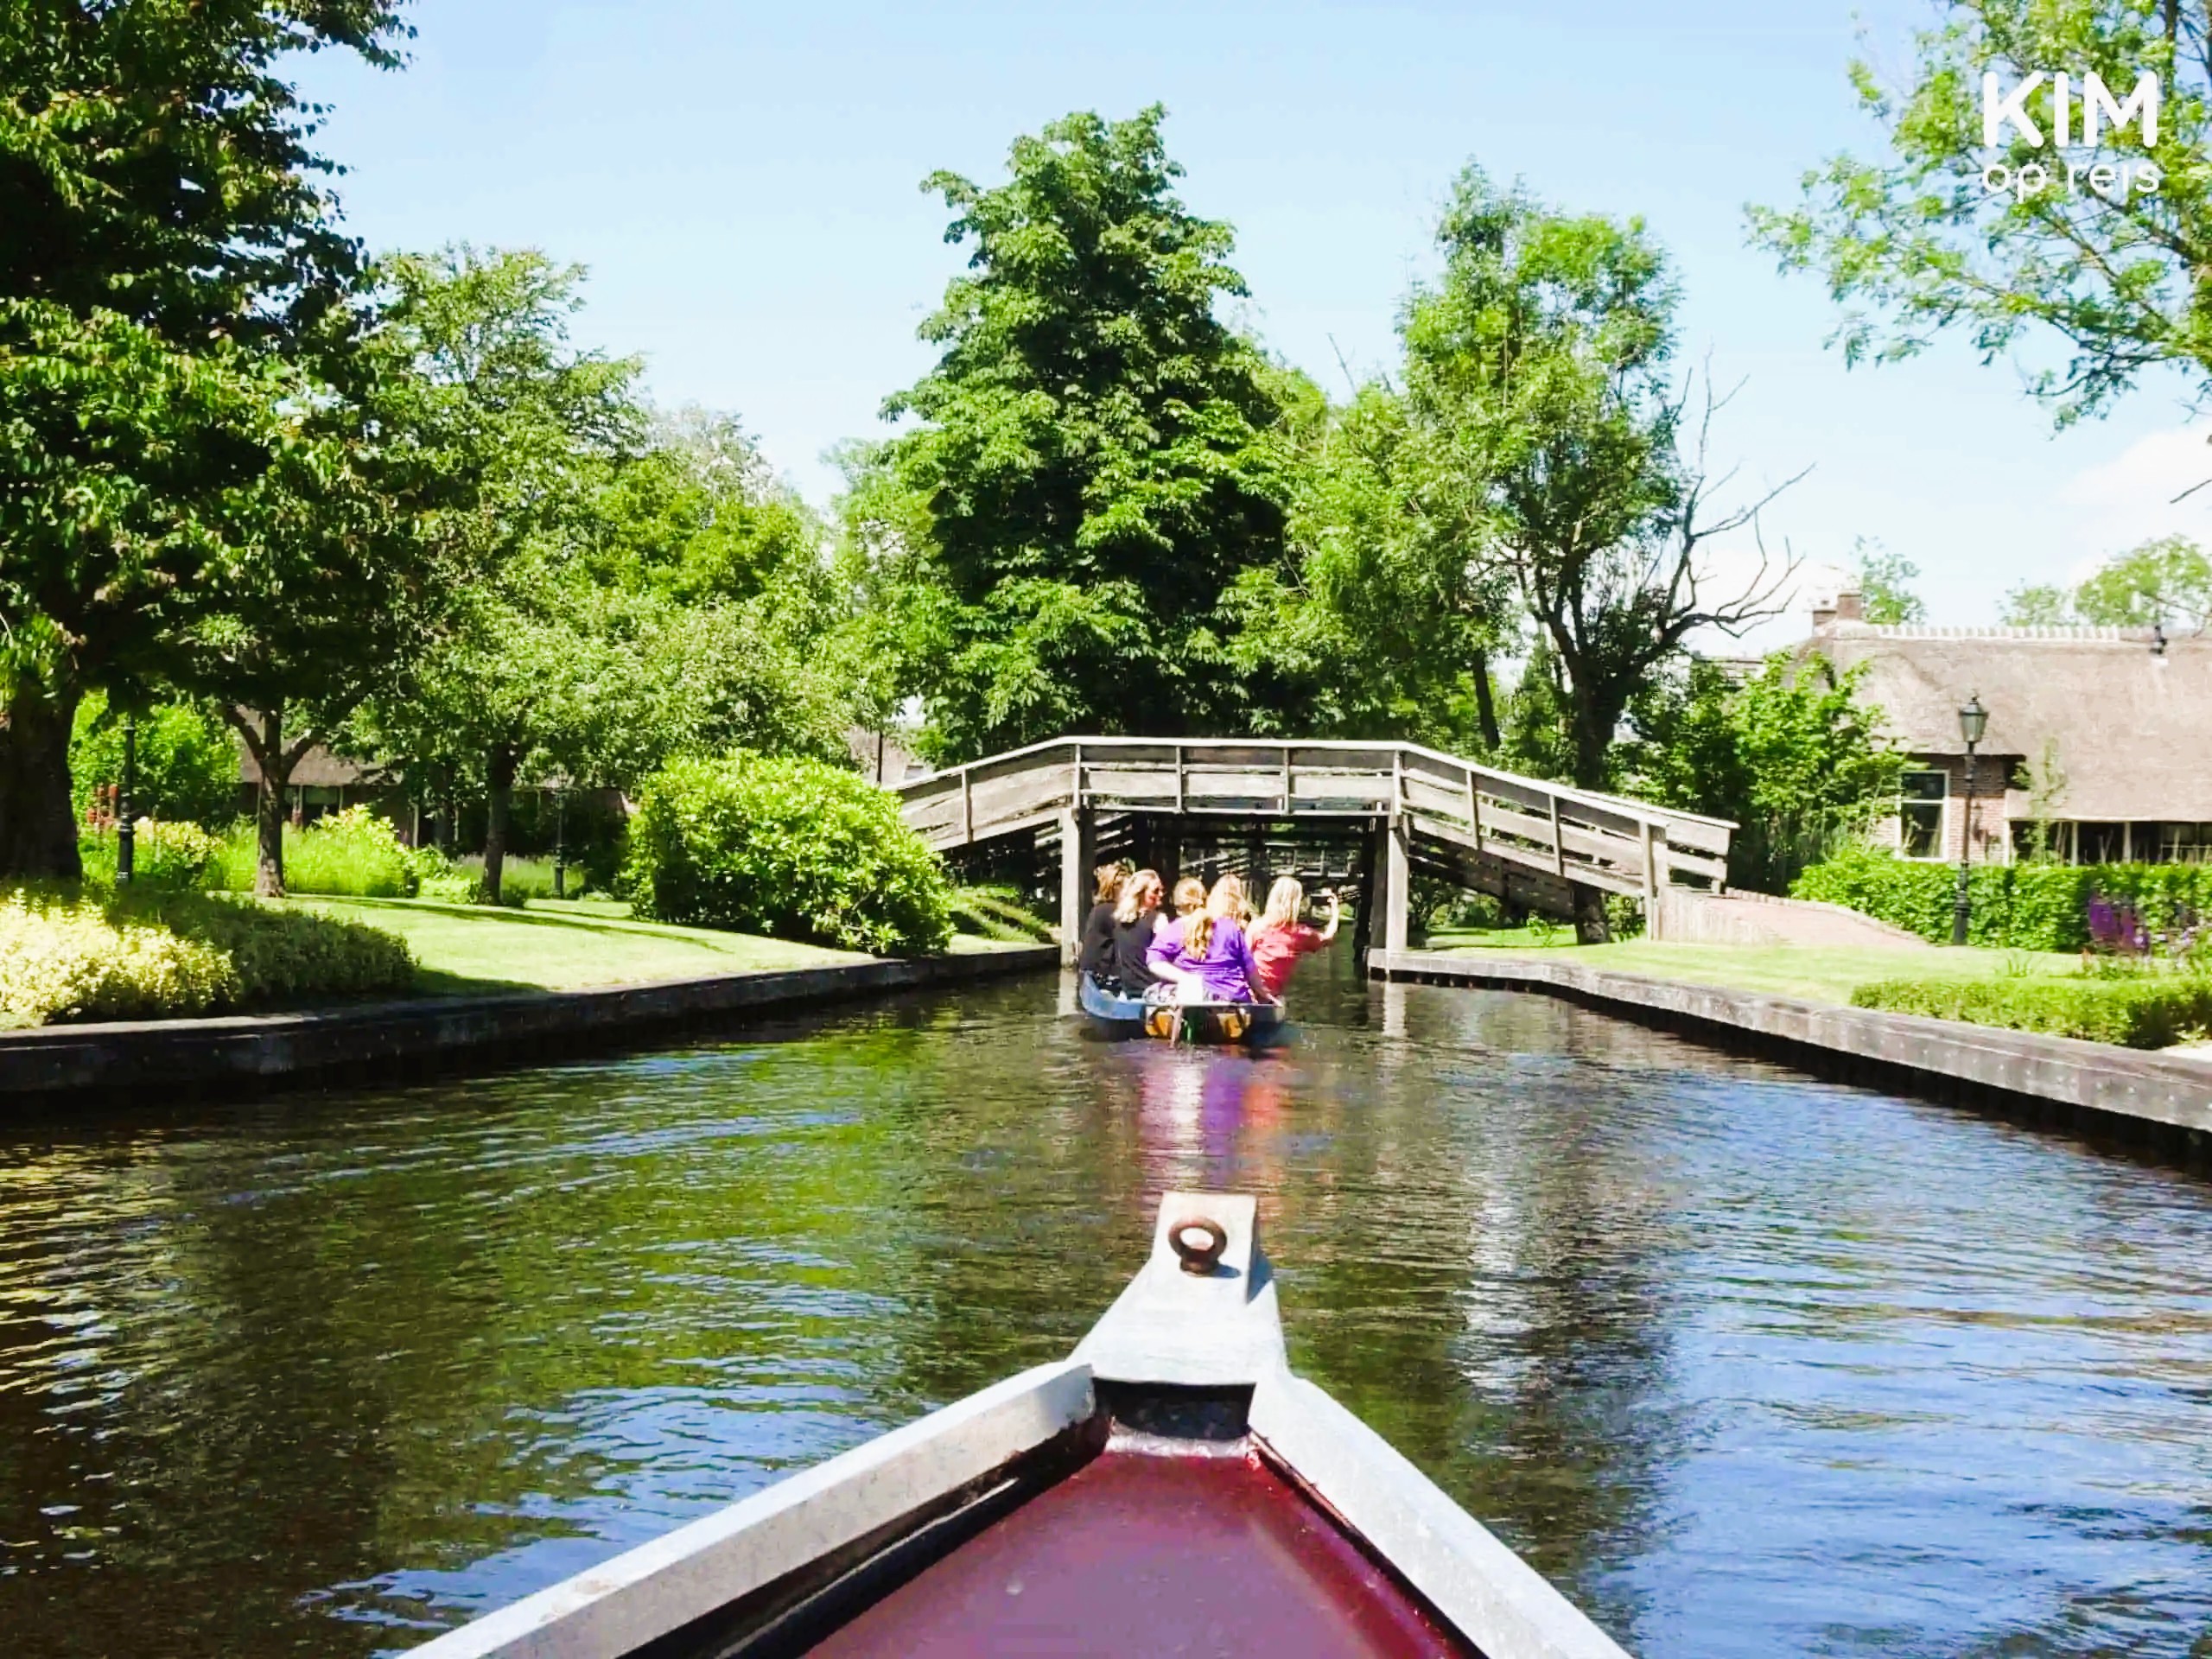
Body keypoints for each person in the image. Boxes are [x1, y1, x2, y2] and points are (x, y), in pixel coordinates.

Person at [1153, 873, 1263, 1003]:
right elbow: (1251, 971)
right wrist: (1266, 994)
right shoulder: (1230, 927)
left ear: (1179, 907)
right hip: (1233, 999)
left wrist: (1185, 978)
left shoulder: (1174, 929)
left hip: (1196, 1000)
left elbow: (1154, 961)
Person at [1248, 877, 1339, 1001]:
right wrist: (1335, 912)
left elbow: (1242, 960)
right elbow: (1328, 938)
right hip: (1270, 996)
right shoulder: (1300, 934)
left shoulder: (1256, 926)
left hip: (1249, 990)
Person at [1111, 868, 1169, 995]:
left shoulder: (1119, 920)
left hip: (1129, 989)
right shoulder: (1159, 920)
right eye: (1155, 891)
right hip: (1153, 990)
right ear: (1140, 893)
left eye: (1161, 890)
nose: (1160, 895)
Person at [1077, 863, 1124, 988]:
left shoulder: (1099, 909)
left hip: (1090, 972)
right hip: (1103, 974)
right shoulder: (1113, 911)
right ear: (1116, 888)